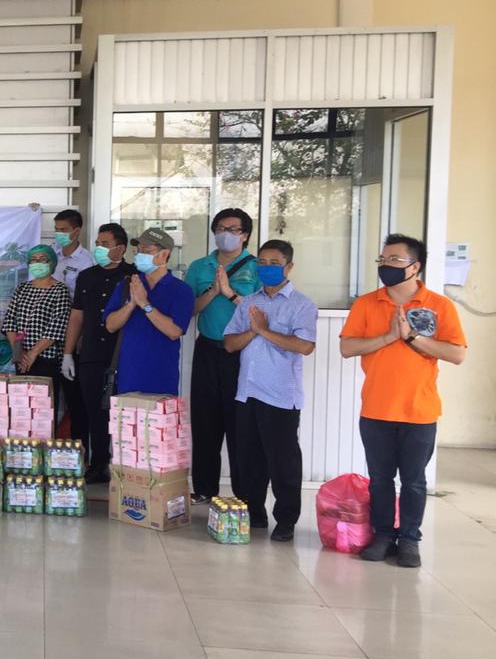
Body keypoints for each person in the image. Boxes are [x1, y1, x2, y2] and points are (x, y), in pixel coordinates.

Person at [340, 234, 466, 568]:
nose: (386, 266)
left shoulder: (439, 305)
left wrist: (412, 337)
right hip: (376, 408)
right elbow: (347, 348)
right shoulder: (367, 304)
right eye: (382, 260)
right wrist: (388, 337)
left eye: (394, 260)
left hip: (419, 410)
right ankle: (383, 535)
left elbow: (456, 353)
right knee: (380, 479)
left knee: (413, 480)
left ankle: (409, 539)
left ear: (415, 266)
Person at [223, 240, 317, 541]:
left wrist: (263, 330)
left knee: (283, 462)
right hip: (247, 393)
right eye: (261, 262)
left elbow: (304, 346)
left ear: (288, 267)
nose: (266, 268)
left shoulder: (302, 304)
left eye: (274, 263)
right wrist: (253, 329)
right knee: (249, 460)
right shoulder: (250, 301)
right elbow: (230, 344)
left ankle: (287, 520)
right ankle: (255, 515)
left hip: (280, 395)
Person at [184, 208, 260, 504]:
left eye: (233, 228)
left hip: (243, 352)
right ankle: (204, 488)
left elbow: (259, 314)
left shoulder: (256, 268)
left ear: (245, 235)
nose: (225, 233)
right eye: (220, 228)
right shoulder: (200, 266)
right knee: (205, 421)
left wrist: (229, 293)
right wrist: (213, 291)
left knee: (240, 424)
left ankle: (244, 493)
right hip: (207, 348)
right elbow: (189, 309)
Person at [64, 223, 134, 483]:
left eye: (105, 244)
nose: (99, 248)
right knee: (95, 411)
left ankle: (126, 466)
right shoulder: (87, 276)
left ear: (121, 248)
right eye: (98, 243)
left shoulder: (133, 276)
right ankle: (98, 463)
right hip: (92, 353)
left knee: (123, 413)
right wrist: (68, 353)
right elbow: (77, 318)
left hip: (124, 354)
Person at [104, 228, 195, 395]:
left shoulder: (181, 290)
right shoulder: (127, 284)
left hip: (161, 376)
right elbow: (110, 325)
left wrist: (145, 304)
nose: (140, 254)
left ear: (164, 254)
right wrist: (132, 303)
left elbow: (174, 331)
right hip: (128, 375)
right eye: (138, 250)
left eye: (147, 250)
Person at [2, 245, 72, 415]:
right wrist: (20, 353)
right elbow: (10, 321)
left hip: (46, 360)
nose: (37, 263)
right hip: (22, 359)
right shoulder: (22, 288)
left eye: (43, 260)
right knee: (21, 408)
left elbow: (57, 326)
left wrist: (33, 353)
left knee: (43, 410)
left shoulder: (60, 290)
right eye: (33, 260)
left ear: (52, 263)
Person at [52, 209, 93, 440]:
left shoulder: (86, 261)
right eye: (56, 229)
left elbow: (83, 307)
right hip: (47, 334)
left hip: (71, 335)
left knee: (75, 399)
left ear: (76, 231)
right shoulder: (52, 255)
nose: (58, 234)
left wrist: (74, 344)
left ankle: (78, 450)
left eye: (63, 230)